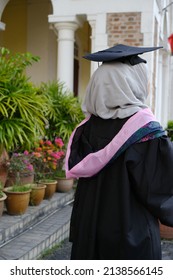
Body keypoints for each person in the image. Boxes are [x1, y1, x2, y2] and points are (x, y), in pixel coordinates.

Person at [65, 44, 173, 260]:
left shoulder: (84, 130)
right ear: (131, 85)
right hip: (130, 240)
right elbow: (161, 192)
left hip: (89, 234)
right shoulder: (146, 133)